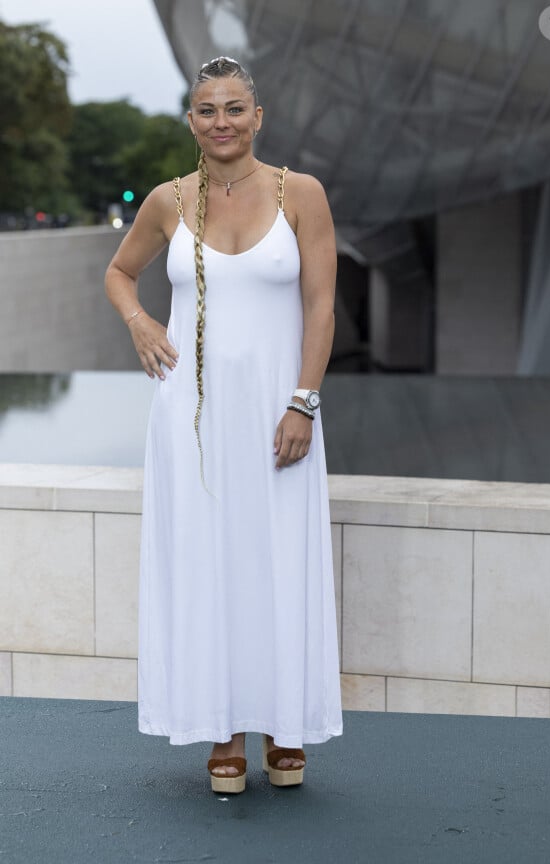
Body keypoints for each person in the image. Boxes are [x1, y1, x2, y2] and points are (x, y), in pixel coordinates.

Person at [105, 56, 343, 794]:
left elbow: (321, 307)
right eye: (207, 110)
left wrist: (304, 401)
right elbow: (118, 273)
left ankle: (283, 727)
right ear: (191, 122)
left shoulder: (301, 193)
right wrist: (141, 321)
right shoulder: (168, 201)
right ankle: (222, 730)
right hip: (191, 419)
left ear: (258, 117)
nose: (222, 122)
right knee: (208, 561)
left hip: (280, 413)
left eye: (235, 108)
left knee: (278, 558)